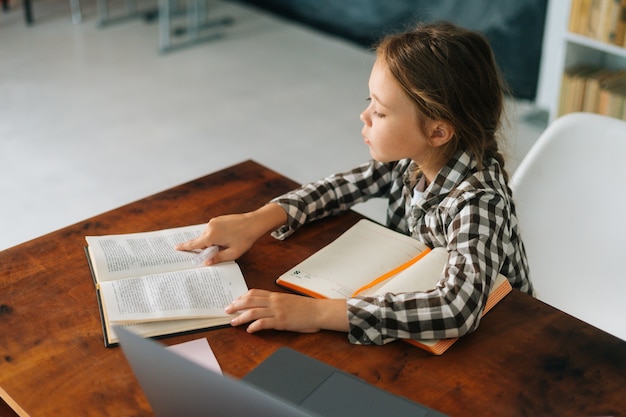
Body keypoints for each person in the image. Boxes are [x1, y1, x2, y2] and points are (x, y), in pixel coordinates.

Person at [176, 21, 532, 346]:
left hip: (501, 341)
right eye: (369, 103)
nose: (364, 116)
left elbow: (456, 309)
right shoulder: (414, 157)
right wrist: (255, 221)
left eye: (379, 111)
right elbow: (338, 188)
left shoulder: (480, 202)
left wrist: (314, 313)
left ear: (437, 131)